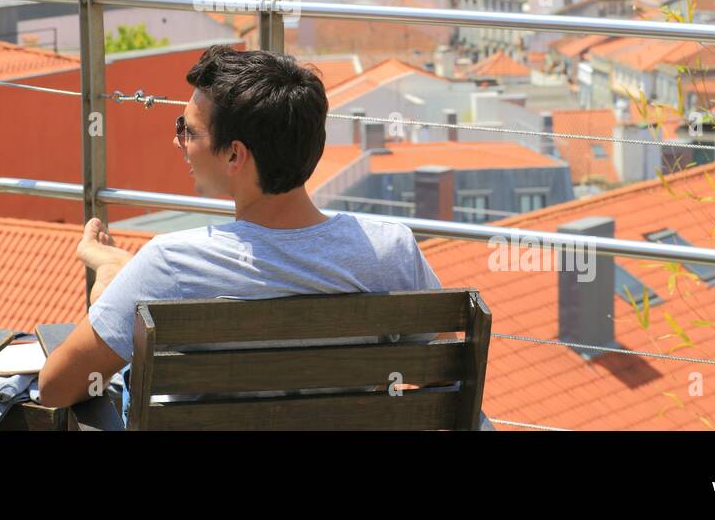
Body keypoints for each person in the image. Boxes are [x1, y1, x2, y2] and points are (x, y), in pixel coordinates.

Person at [37, 44, 442, 414]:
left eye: (188, 130)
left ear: (235, 155)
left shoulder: (170, 266)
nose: (177, 141)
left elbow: (56, 387)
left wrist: (111, 283)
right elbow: (443, 372)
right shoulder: (392, 250)